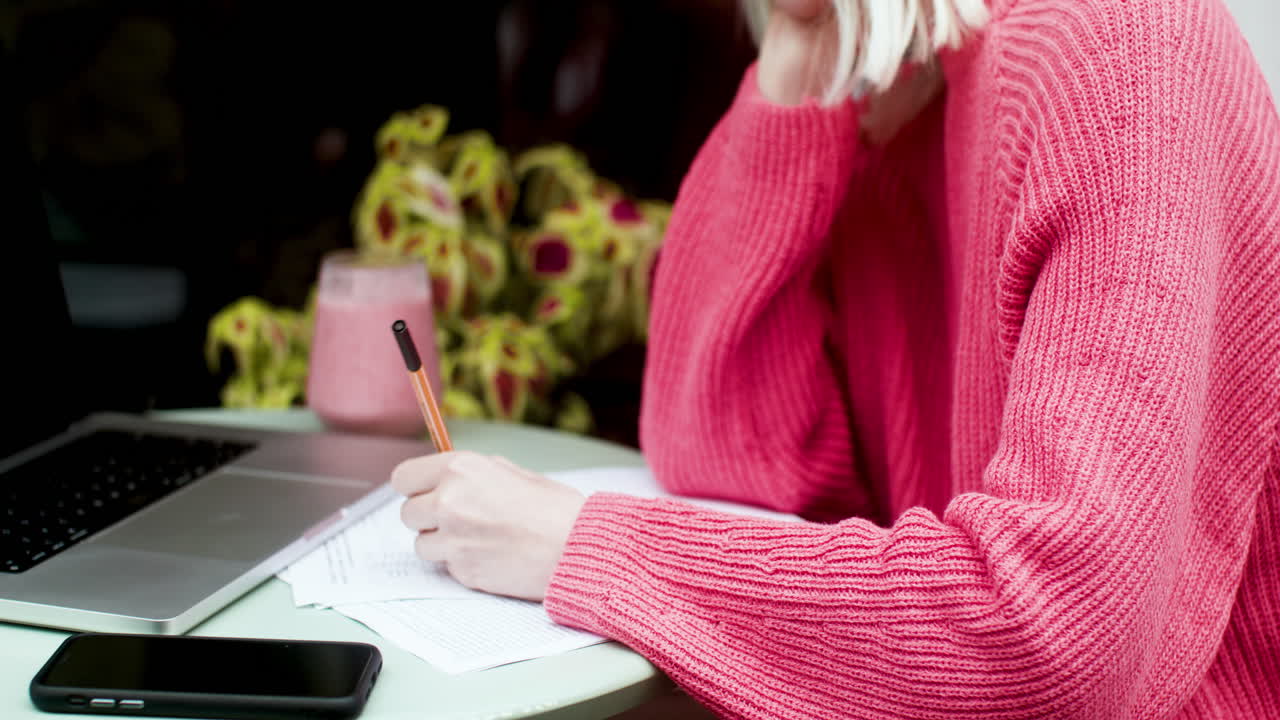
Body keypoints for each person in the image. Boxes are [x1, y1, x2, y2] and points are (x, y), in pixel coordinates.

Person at [391, 0, 1280, 716]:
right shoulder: (903, 91)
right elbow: (724, 459)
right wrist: (791, 75)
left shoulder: (1122, 45)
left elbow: (1054, 637)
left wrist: (581, 545)